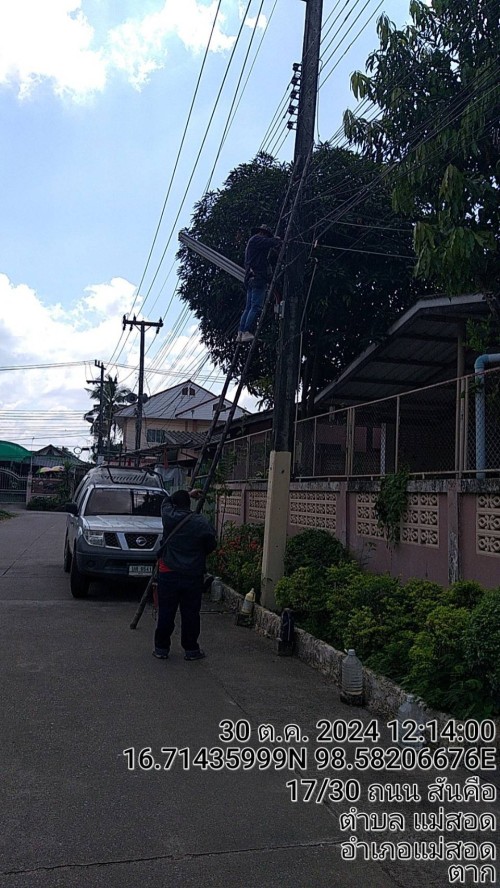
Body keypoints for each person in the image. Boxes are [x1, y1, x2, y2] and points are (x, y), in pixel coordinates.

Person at [153, 489, 217, 661]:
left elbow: (165, 501)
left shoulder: (168, 516)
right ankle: (191, 650)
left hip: (168, 572)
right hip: (192, 575)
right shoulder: (201, 522)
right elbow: (211, 543)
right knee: (190, 613)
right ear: (190, 505)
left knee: (166, 611)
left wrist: (188, 493)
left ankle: (161, 648)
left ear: (175, 504)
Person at [238, 223, 281, 342]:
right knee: (255, 307)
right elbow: (269, 242)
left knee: (248, 307)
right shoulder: (256, 239)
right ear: (263, 233)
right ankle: (246, 331)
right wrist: (276, 240)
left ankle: (241, 332)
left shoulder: (254, 246)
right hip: (258, 278)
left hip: (251, 278)